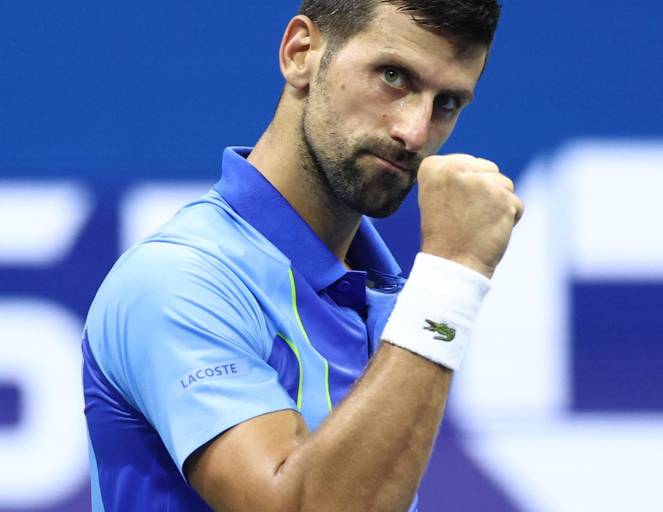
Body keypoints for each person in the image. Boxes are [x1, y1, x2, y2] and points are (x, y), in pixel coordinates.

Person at [82, 0, 523, 510]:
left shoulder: (387, 299)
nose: (415, 133)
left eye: (446, 102)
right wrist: (451, 278)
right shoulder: (178, 280)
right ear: (300, 53)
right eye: (393, 76)